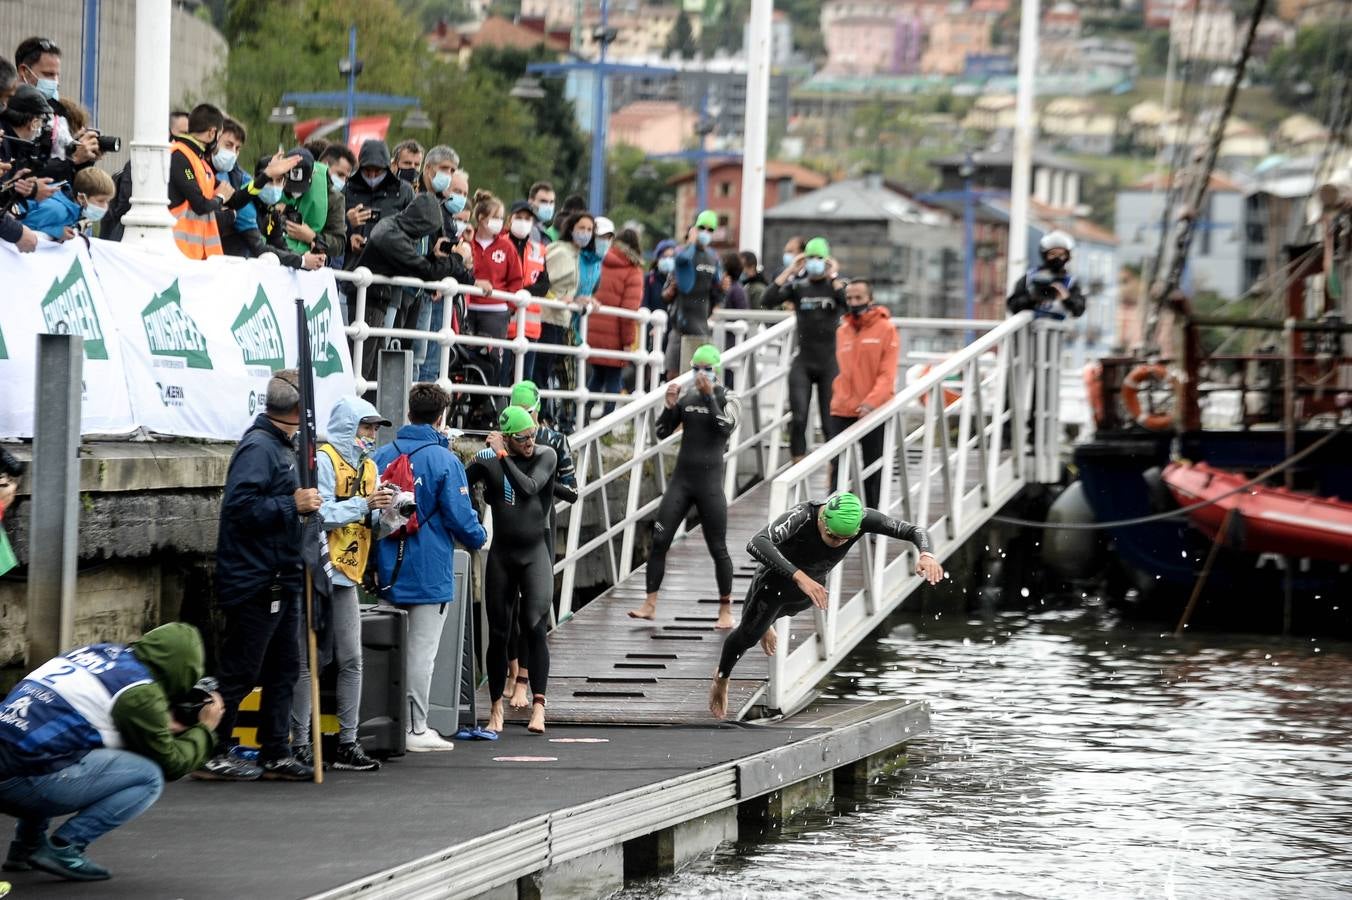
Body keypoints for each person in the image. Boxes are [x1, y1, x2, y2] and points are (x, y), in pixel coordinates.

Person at [0, 624, 222, 881]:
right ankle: (67, 847)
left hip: (10, 758)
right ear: (185, 670)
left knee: (56, 747)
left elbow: (85, 719)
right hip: (18, 783)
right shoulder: (139, 695)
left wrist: (159, 722)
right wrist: (205, 729)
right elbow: (172, 763)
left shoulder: (98, 653)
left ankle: (26, 847)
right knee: (148, 776)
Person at [708, 493, 944, 719]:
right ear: (823, 519)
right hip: (774, 582)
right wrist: (801, 577)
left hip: (811, 587)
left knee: (793, 608)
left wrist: (926, 555)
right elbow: (756, 543)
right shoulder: (803, 516)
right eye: (832, 536)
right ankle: (721, 678)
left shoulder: (863, 518)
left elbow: (915, 530)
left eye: (845, 539)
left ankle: (768, 622)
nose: (837, 543)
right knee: (748, 635)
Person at [195, 370, 319, 782]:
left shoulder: (286, 446)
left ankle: (275, 751)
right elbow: (239, 509)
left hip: (282, 572)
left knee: (285, 666)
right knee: (241, 670)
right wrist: (292, 505)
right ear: (299, 409)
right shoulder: (259, 448)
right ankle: (212, 750)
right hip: (256, 577)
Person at [372, 383, 487, 751]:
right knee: (421, 654)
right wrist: (480, 534)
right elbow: (461, 519)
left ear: (409, 413)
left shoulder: (380, 455)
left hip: (386, 567)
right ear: (441, 418)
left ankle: (382, 724)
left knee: (384, 652)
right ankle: (416, 728)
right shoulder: (445, 460)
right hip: (429, 568)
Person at [288, 397, 392, 772]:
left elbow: (373, 522)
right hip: (318, 569)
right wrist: (365, 505)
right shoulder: (326, 460)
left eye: (376, 429)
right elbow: (320, 513)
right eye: (367, 427)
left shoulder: (370, 466)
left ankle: (347, 742)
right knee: (308, 660)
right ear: (350, 427)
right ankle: (299, 742)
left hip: (349, 573)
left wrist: (391, 513)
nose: (371, 435)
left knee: (352, 659)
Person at [629, 344, 741, 629]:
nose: (701, 375)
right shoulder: (688, 396)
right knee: (659, 541)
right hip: (682, 481)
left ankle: (725, 610)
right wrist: (669, 407)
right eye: (696, 369)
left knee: (718, 547)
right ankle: (650, 604)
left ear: (717, 370)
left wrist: (710, 398)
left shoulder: (729, 398)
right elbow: (663, 431)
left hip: (709, 485)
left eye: (706, 369)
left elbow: (725, 429)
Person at [467, 406, 559, 735]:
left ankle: (539, 707)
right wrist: (470, 517)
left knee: (535, 626)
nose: (530, 441)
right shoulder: (488, 460)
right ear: (507, 436)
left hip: (535, 554)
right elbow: (459, 484)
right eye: (523, 438)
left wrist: (505, 455)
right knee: (499, 634)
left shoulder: (545, 455)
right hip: (502, 555)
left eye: (532, 434)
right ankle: (495, 709)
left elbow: (529, 488)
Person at [502, 380, 578, 709]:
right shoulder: (505, 440)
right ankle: (511, 670)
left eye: (529, 413)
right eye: (519, 414)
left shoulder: (554, 442)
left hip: (541, 528)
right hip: (508, 529)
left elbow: (572, 490)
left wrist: (541, 482)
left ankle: (524, 681)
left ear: (538, 410)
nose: (526, 424)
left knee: (534, 610)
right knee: (506, 608)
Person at [354, 193, 470, 382]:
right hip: (368, 302)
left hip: (376, 300)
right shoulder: (393, 237)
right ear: (420, 224)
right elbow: (426, 272)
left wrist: (433, 256)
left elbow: (415, 266)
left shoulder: (393, 228)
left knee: (371, 369)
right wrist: (457, 258)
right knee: (363, 368)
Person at [763, 236, 847, 463]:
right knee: (798, 418)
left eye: (819, 258)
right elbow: (767, 299)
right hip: (804, 362)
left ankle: (834, 475)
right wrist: (790, 269)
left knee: (830, 423)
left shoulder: (835, 287)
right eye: (809, 257)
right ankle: (796, 470)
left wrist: (835, 275)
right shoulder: (799, 287)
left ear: (827, 260)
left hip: (829, 363)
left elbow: (847, 303)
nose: (814, 262)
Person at [829, 280, 898, 508]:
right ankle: (833, 523)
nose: (853, 303)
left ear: (871, 299)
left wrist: (870, 403)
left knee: (873, 469)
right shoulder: (842, 330)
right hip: (842, 408)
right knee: (838, 468)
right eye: (849, 298)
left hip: (873, 410)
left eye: (858, 298)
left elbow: (887, 374)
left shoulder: (886, 329)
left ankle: (872, 524)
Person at [539, 211, 601, 429]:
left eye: (589, 230)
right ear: (571, 228)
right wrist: (558, 298)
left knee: (547, 370)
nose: (585, 233)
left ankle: (546, 417)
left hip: (561, 319)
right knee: (541, 369)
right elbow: (543, 280)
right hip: (547, 316)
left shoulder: (575, 254)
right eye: (581, 228)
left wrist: (577, 298)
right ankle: (541, 416)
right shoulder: (561, 251)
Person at [468, 190, 524, 389]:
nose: (499, 222)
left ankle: (486, 405)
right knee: (465, 359)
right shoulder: (468, 241)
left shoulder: (506, 247)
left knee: (492, 362)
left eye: (501, 218)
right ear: (481, 218)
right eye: (495, 217)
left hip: (495, 313)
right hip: (468, 309)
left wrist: (508, 307)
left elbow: (517, 279)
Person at [588, 225, 644, 423]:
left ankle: (581, 415)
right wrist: (628, 342)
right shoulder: (633, 270)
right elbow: (628, 312)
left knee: (596, 377)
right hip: (615, 336)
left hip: (593, 330)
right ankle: (606, 424)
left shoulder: (602, 260)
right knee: (613, 379)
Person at [167, 103, 238, 259]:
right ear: (212, 133)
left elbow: (234, 197)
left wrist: (265, 177)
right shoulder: (180, 155)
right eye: (220, 136)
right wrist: (220, 199)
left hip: (197, 254)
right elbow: (200, 205)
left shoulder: (201, 162)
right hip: (178, 252)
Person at [663, 209, 724, 379]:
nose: (705, 233)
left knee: (699, 377)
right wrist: (691, 242)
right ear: (694, 228)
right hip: (679, 327)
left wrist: (722, 292)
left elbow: (719, 292)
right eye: (702, 228)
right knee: (673, 377)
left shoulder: (714, 259)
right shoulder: (683, 253)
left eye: (710, 230)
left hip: (701, 326)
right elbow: (680, 263)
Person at [343, 139, 414, 265]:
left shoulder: (404, 191)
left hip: (390, 272)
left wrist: (391, 244)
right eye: (367, 170)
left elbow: (415, 231)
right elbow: (332, 230)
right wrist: (348, 228)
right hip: (354, 269)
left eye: (377, 171)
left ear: (387, 168)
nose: (372, 176)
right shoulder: (348, 189)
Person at [505, 199, 551, 385]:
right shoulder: (501, 245)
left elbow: (544, 284)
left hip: (530, 329)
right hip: (505, 326)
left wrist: (523, 293)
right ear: (510, 219)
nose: (523, 222)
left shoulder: (538, 251)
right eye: (519, 217)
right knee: (502, 380)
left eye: (527, 218)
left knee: (524, 383)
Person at [18, 165, 115, 240]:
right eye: (101, 201)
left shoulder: (73, 210)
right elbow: (25, 224)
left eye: (108, 201)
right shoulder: (57, 210)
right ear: (81, 198)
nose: (105, 207)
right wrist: (58, 231)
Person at [1006, 230, 1087, 319]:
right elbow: (1012, 306)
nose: (1057, 258)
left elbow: (1079, 310)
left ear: (1067, 256)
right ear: (1045, 254)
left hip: (1058, 329)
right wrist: (1033, 297)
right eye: (1052, 254)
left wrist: (1066, 298)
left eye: (1061, 254)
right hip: (1029, 329)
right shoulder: (1030, 277)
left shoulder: (1071, 282)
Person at [643, 239, 676, 313]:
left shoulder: (676, 280)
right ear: (657, 259)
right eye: (665, 257)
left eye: (671, 257)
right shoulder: (649, 279)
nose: (668, 260)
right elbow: (644, 305)